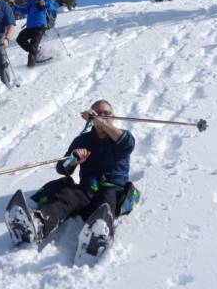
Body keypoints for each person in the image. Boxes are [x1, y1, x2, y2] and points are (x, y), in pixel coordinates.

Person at [24, 99, 136, 243]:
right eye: (98, 113)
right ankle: (40, 223)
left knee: (107, 197)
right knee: (68, 195)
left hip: (112, 191)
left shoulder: (121, 137)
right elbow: (61, 167)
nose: (103, 115)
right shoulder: (83, 140)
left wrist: (101, 122)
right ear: (91, 118)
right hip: (87, 191)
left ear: (113, 117)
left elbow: (127, 144)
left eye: (107, 113)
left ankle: (99, 233)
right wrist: (74, 160)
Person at [12, 0, 51, 67]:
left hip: (39, 26)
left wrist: (44, 4)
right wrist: (15, 7)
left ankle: (30, 69)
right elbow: (25, 10)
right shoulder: (30, 0)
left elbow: (49, 4)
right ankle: (38, 53)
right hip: (30, 27)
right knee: (20, 39)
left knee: (33, 47)